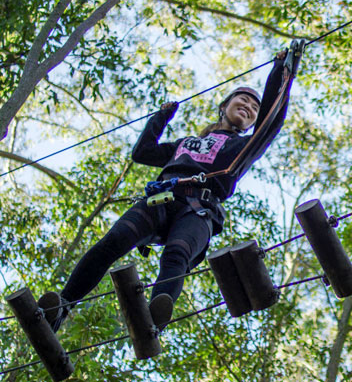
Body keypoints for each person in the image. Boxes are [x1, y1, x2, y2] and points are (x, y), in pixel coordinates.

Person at [39, 49, 292, 332]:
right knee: (113, 242)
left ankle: (155, 321)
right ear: (224, 106)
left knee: (176, 256)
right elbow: (142, 152)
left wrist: (281, 69)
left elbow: (272, 118)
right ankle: (62, 306)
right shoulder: (186, 143)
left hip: (198, 210)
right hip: (160, 199)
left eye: (254, 108)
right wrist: (160, 118)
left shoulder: (242, 147)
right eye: (242, 99)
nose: (248, 106)